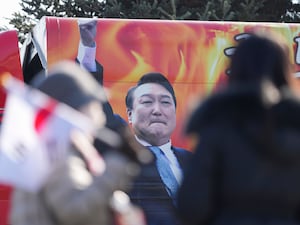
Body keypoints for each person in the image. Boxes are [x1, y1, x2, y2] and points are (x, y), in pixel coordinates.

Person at [177, 31, 300, 225]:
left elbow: (191, 206)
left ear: (235, 68)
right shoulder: (295, 126)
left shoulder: (217, 125)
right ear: (284, 69)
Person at [9, 61, 146, 225]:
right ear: (72, 112)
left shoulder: (48, 151)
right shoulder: (59, 156)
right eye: (93, 107)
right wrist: (116, 165)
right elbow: (76, 212)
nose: (100, 117)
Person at [125, 72, 192, 225]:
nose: (157, 110)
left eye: (165, 102)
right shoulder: (120, 160)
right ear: (130, 114)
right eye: (147, 102)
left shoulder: (195, 161)